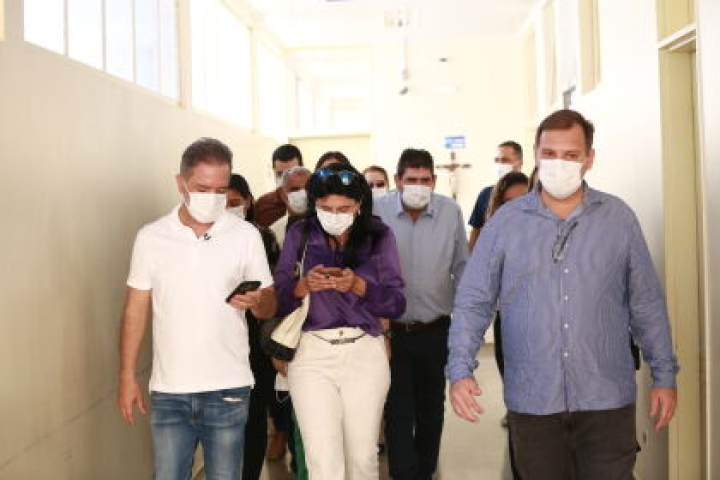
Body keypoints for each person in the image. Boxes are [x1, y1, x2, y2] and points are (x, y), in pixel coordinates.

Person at [447, 110, 679, 480]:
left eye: (571, 155)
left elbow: (646, 303)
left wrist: (664, 375)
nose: (559, 164)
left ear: (589, 158)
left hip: (606, 398)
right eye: (550, 153)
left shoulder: (618, 219)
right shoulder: (505, 223)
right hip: (533, 400)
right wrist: (460, 370)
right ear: (536, 155)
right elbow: (473, 301)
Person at [116, 138, 277, 480]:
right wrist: (127, 375)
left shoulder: (246, 236)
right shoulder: (152, 238)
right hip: (170, 390)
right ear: (181, 183)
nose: (213, 198)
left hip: (228, 388)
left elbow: (268, 305)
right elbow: (135, 310)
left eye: (221, 190)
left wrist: (258, 301)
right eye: (203, 189)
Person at [273, 162, 406, 480]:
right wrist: (303, 286)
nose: (335, 215)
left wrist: (358, 286)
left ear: (359, 205)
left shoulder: (379, 236)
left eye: (344, 208)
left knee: (362, 458)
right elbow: (277, 297)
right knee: (322, 462)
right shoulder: (300, 234)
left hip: (365, 352)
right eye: (326, 208)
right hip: (312, 354)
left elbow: (397, 303)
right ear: (314, 205)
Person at [374, 148, 468, 480]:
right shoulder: (378, 211)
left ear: (434, 180)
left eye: (425, 180)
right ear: (397, 180)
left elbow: (462, 267)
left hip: (435, 329)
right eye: (411, 179)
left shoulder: (450, 212)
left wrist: (464, 327)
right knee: (397, 409)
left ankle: (426, 471)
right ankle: (403, 473)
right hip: (392, 332)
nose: (419, 186)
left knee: (431, 408)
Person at [226, 174, 282, 480]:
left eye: (234, 202)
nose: (228, 208)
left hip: (255, 337)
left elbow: (275, 293)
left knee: (254, 412)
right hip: (219, 342)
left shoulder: (262, 237)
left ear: (248, 201)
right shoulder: (202, 240)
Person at [467, 141, 524, 250]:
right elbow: (476, 232)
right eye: (497, 160)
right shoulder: (485, 194)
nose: (500, 165)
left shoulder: (531, 193)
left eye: (505, 160)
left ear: (519, 163)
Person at [255, 144, 304, 228]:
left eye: (291, 172)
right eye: (280, 174)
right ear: (273, 172)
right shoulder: (262, 204)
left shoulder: (314, 202)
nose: (286, 179)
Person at [266, 166, 312, 247]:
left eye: (307, 188)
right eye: (295, 189)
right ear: (282, 194)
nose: (303, 194)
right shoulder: (274, 233)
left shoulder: (326, 226)